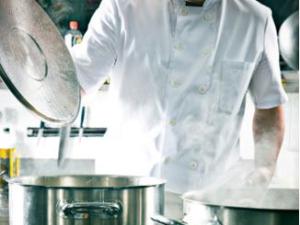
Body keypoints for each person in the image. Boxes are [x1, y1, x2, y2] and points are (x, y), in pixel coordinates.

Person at [70, 0, 286, 196]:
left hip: (211, 203)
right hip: (127, 195)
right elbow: (75, 83)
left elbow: (269, 106)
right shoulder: (122, 8)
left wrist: (265, 169)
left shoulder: (255, 20)